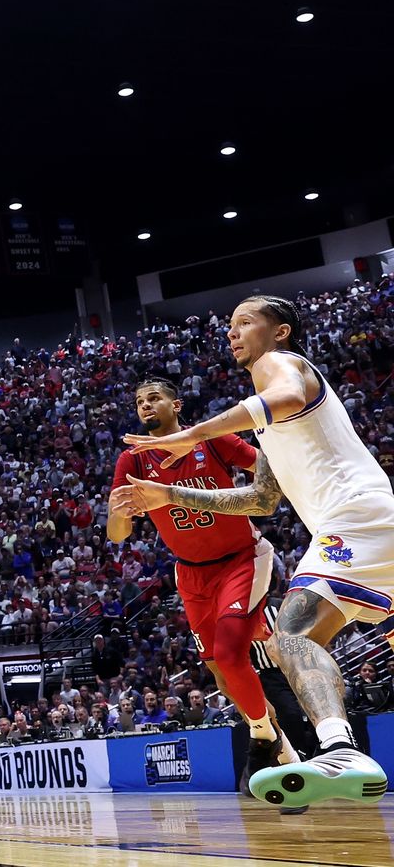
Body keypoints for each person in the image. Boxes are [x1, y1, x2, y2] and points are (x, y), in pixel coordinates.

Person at [117, 295, 393, 810]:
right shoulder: (267, 420)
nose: (232, 332)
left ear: (280, 331)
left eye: (245, 322)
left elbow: (287, 394)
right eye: (229, 325)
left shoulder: (280, 365)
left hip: (355, 517)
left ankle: (338, 748)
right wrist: (172, 494)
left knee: (290, 631)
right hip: (372, 522)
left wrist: (194, 435)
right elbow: (262, 499)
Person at [107, 377, 296, 788]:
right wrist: (119, 509)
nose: (145, 405)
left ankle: (267, 738)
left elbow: (268, 464)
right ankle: (284, 753)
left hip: (240, 558)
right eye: (139, 400)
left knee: (231, 654)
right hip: (191, 573)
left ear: (176, 406)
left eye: (154, 398)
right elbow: (117, 535)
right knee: (223, 676)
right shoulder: (133, 461)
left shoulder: (212, 441)